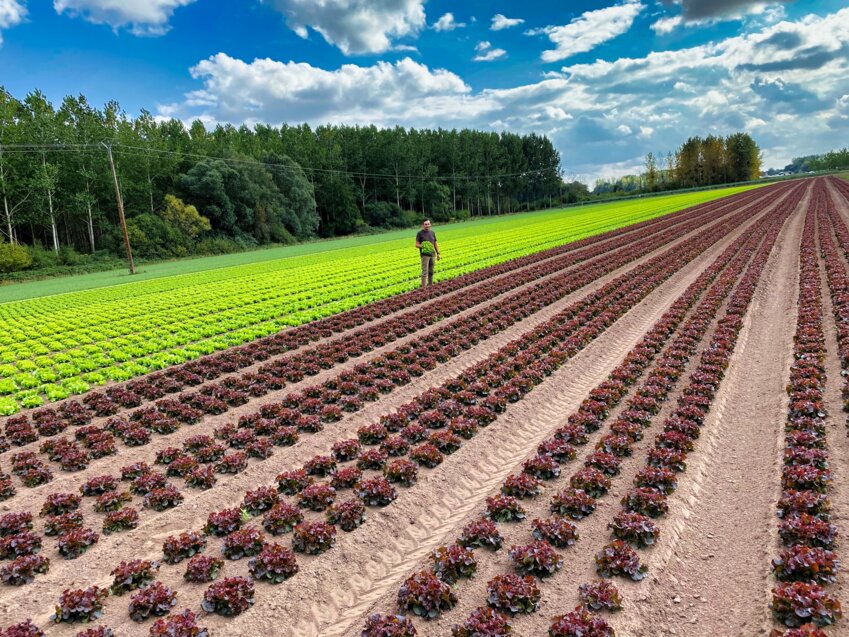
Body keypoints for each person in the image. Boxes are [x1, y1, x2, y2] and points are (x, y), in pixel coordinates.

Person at [415, 218, 440, 288]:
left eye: (428, 224)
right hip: (425, 255)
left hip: (432, 254)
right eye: (425, 224)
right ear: (423, 225)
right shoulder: (419, 233)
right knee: (425, 271)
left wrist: (438, 253)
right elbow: (416, 244)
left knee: (431, 271)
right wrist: (424, 246)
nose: (427, 225)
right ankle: (423, 287)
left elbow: (435, 243)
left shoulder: (432, 232)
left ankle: (430, 285)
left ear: (430, 224)